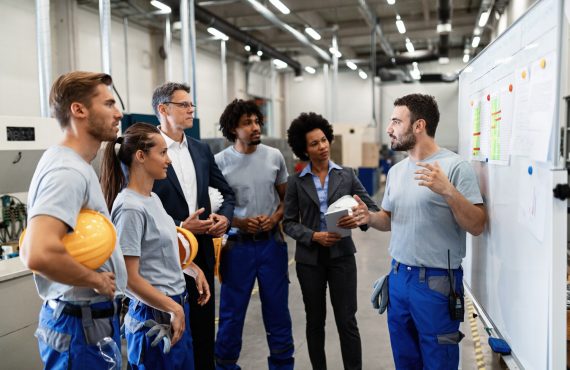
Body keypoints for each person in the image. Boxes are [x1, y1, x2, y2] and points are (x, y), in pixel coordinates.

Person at [353, 94, 487, 369]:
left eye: (395, 121)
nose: (389, 129)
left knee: (439, 362)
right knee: (405, 362)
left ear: (418, 126)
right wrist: (369, 217)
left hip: (437, 283)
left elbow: (477, 225)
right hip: (399, 279)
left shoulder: (454, 167)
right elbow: (389, 220)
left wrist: (448, 191)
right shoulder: (396, 171)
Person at [19, 71, 127, 369]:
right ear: (78, 110)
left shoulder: (72, 164)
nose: (118, 113)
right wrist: (95, 280)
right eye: (108, 104)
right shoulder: (67, 171)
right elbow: (37, 252)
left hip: (88, 322)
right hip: (79, 326)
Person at [100, 122, 210, 369]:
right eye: (162, 152)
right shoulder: (130, 208)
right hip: (154, 316)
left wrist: (194, 269)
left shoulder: (153, 199)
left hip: (173, 308)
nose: (168, 159)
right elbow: (128, 277)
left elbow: (161, 250)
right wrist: (173, 308)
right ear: (140, 156)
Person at [283, 112, 379, 370]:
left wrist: (359, 218)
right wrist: (313, 235)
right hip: (309, 261)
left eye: (324, 140)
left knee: (347, 321)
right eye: (314, 143)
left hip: (342, 258)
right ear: (304, 149)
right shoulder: (295, 182)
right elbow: (288, 222)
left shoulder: (347, 175)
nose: (322, 146)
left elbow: (370, 209)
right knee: (315, 322)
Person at [151, 82, 235, 370]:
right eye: (183, 104)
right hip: (163, 258)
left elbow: (228, 193)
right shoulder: (146, 151)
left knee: (202, 336)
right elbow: (139, 204)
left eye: (191, 104)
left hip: (200, 257)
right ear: (163, 109)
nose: (191, 109)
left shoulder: (201, 150)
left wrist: (225, 218)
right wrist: (179, 227)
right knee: (167, 338)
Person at [214, 99, 294, 370]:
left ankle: (282, 365)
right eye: (247, 123)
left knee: (277, 313)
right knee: (231, 315)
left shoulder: (274, 157)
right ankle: (225, 366)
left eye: (257, 121)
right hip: (237, 248)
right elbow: (214, 211)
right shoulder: (220, 163)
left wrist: (274, 219)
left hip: (272, 246)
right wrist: (240, 222)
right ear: (233, 129)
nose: (255, 127)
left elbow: (286, 201)